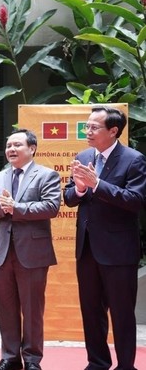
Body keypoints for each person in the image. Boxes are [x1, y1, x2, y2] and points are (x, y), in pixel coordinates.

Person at [64, 106, 146, 370]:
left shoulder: (133, 159)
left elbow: (135, 201)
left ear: (113, 131)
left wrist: (98, 184)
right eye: (86, 126)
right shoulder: (84, 155)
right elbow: (68, 198)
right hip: (87, 248)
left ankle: (125, 366)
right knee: (91, 311)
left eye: (93, 127)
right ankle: (97, 362)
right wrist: (78, 188)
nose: (87, 131)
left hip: (118, 251)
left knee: (122, 314)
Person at [0, 129, 61, 370]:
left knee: (32, 309)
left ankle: (33, 360)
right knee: (6, 308)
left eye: (17, 145)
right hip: (4, 252)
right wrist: (3, 208)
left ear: (32, 149)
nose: (11, 150)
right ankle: (10, 357)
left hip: (33, 253)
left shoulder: (46, 175)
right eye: (8, 146)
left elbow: (51, 207)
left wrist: (16, 208)